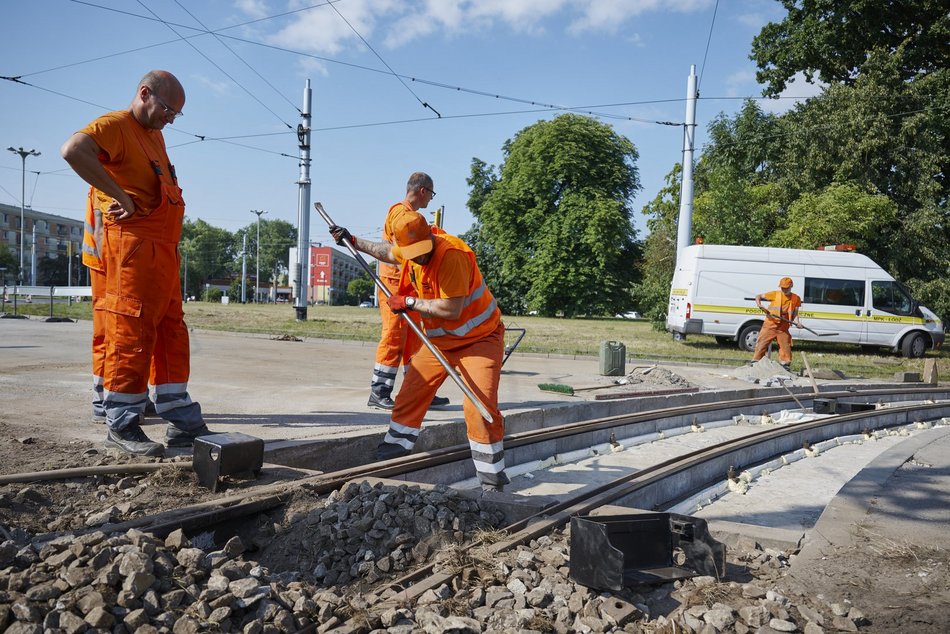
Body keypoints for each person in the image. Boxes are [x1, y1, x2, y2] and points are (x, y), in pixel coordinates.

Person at [61, 70, 213, 457]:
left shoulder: (154, 134)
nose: (171, 119)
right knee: (131, 329)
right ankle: (122, 422)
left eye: (177, 115)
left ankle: (178, 413)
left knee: (170, 328)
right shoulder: (116, 126)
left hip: (163, 249)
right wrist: (119, 196)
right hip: (132, 249)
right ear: (144, 94)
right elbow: (73, 149)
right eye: (167, 109)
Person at [329, 212, 508, 491]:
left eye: (422, 252)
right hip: (440, 343)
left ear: (430, 237)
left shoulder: (453, 255)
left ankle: (492, 482)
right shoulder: (409, 247)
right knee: (410, 396)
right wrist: (352, 241)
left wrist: (409, 301)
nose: (419, 258)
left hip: (480, 341)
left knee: (479, 407)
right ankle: (390, 459)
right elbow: (387, 252)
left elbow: (452, 309)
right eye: (412, 253)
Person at [367, 171, 448, 412]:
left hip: (408, 285)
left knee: (415, 340)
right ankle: (379, 391)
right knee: (394, 336)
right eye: (431, 194)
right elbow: (406, 248)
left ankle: (418, 390)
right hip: (393, 285)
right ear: (422, 190)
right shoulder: (401, 213)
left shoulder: (410, 215)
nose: (431, 199)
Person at [752, 276, 803, 371]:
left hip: (783, 327)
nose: (784, 289)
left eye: (786, 287)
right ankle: (756, 362)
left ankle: (785, 365)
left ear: (791, 286)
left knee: (785, 346)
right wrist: (759, 303)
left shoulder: (796, 298)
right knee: (762, 343)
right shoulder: (775, 294)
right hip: (770, 324)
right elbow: (758, 296)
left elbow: (795, 313)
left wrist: (797, 323)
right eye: (782, 287)